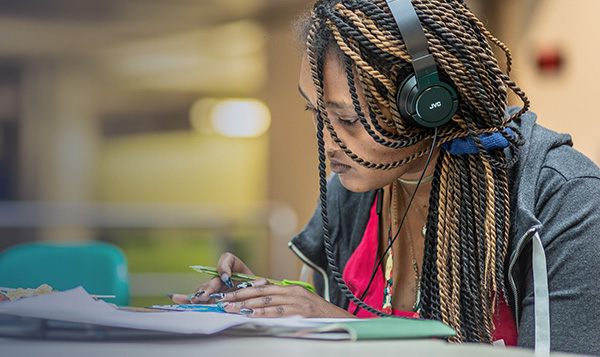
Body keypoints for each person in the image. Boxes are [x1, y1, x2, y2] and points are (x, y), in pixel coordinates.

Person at [171, 0, 600, 354]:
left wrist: (347, 329)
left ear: (431, 106)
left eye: (347, 119)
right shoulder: (351, 194)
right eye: (316, 114)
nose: (327, 142)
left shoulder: (561, 201)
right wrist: (262, 310)